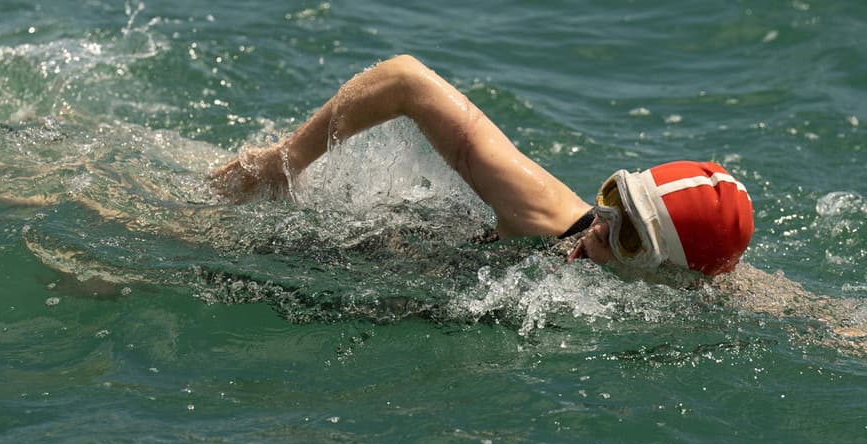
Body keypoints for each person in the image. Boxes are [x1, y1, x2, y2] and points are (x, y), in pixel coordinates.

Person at [210, 54, 755, 277]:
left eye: (629, 236)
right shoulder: (549, 218)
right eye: (611, 200)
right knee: (189, 220)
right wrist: (282, 163)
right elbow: (405, 80)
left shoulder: (699, 289)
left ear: (675, 273)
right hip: (341, 248)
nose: (599, 230)